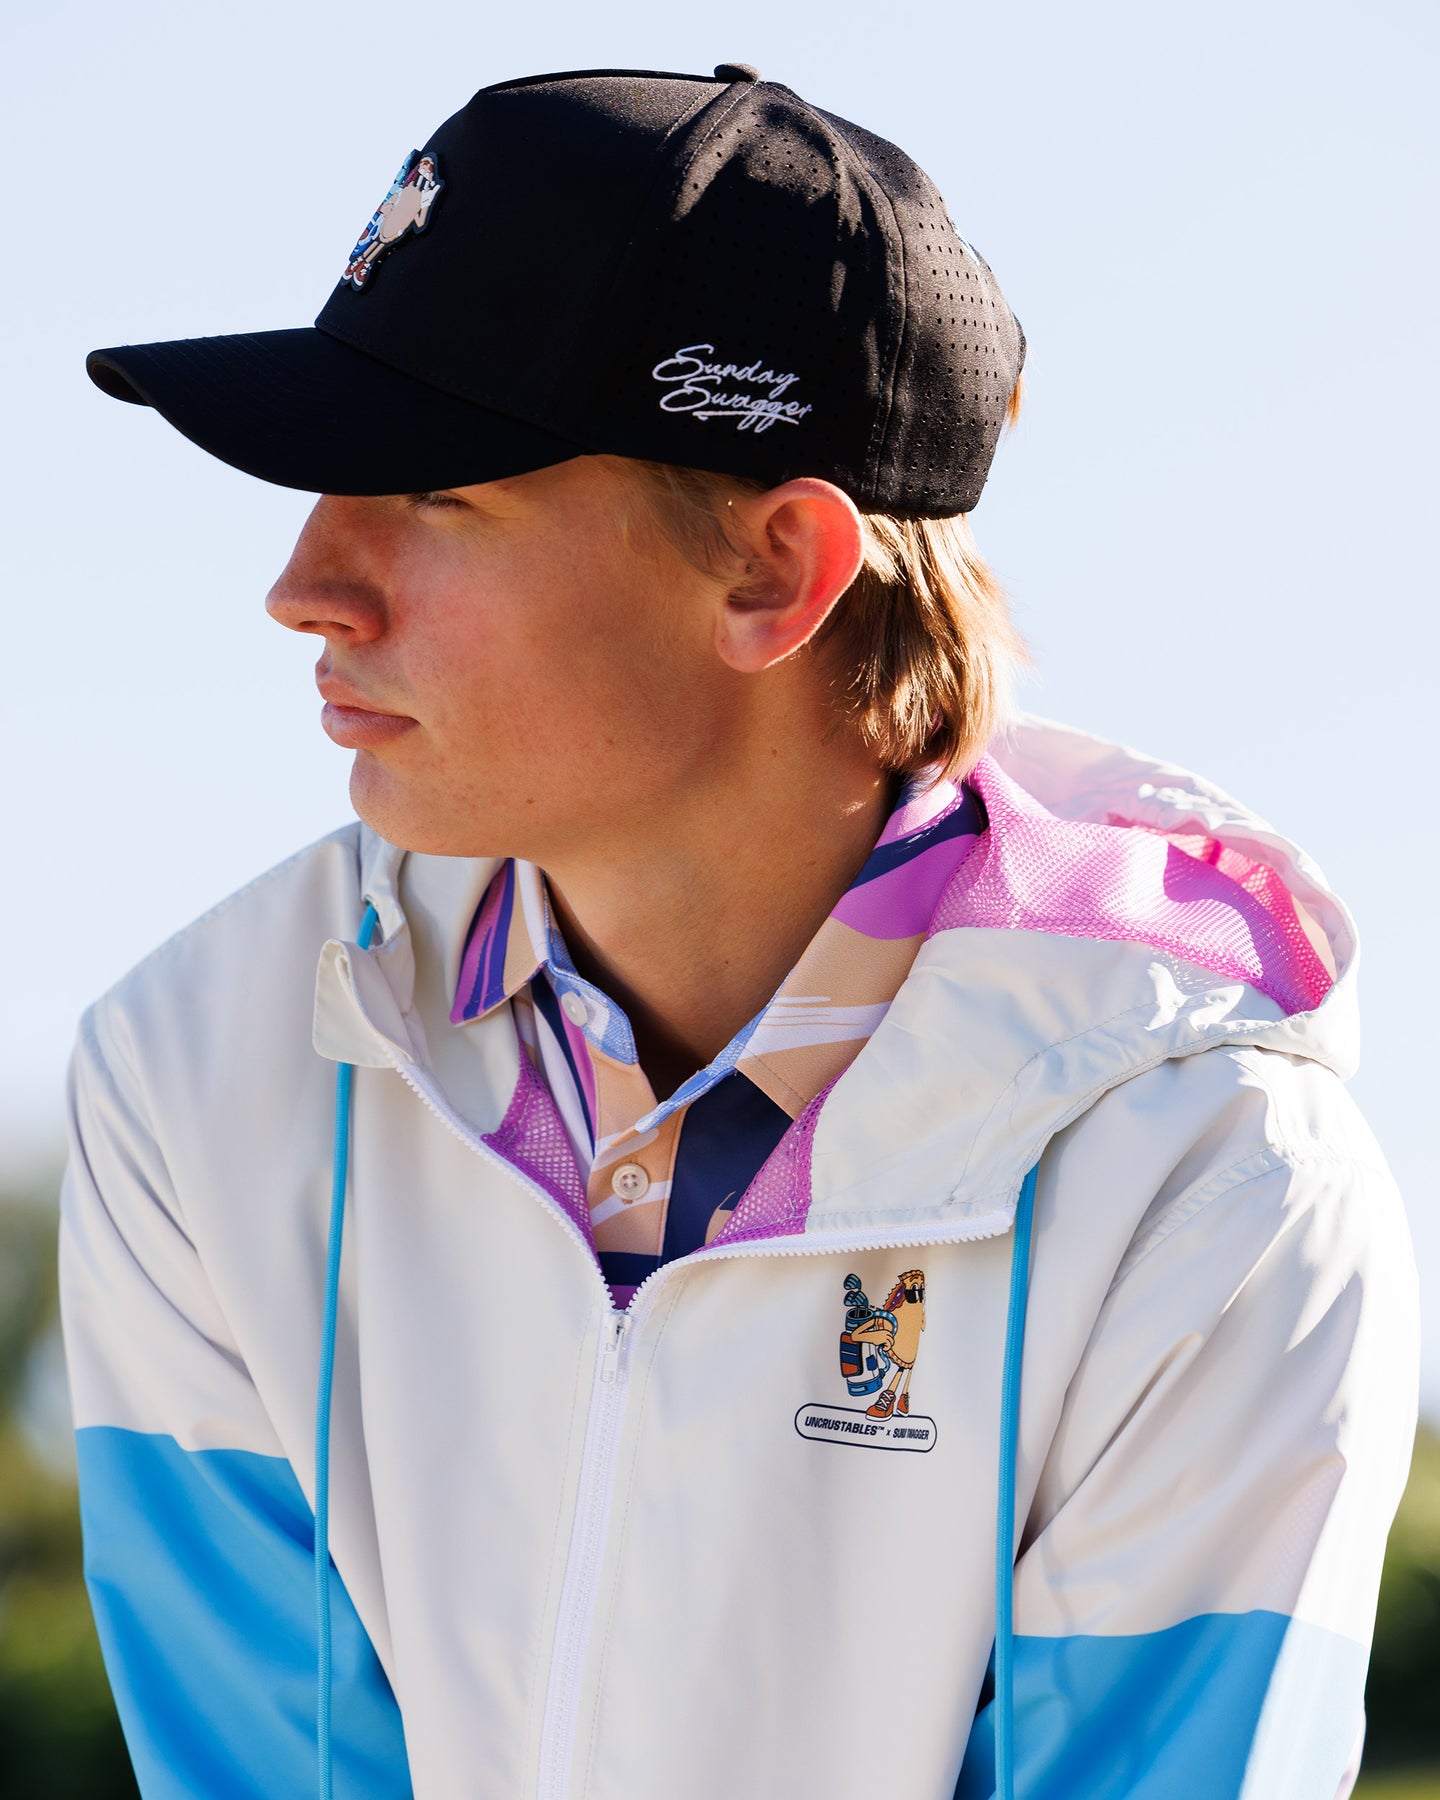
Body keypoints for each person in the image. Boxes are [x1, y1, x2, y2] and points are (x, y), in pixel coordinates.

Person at [61, 62, 1417, 1800]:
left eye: (438, 492)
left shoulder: (1212, 1178)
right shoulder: (195, 1071)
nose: (304, 586)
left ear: (774, 571)